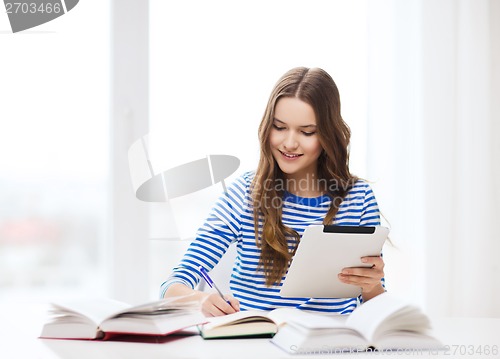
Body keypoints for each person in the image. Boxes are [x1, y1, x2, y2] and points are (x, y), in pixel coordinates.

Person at [160, 67, 385, 317]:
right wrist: (199, 299)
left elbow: (374, 305)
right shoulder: (245, 193)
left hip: (328, 348)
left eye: (307, 132)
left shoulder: (359, 198)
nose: (289, 143)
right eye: (279, 127)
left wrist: (372, 284)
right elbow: (172, 286)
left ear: (328, 135)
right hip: (257, 344)